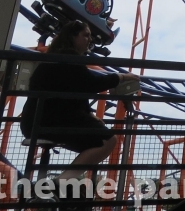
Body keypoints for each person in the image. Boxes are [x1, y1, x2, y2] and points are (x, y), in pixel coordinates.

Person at [20, 20, 139, 188]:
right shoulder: (69, 60)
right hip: (48, 122)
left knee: (96, 138)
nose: (89, 39)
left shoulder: (56, 59)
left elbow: (76, 91)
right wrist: (121, 77)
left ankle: (60, 183)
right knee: (107, 140)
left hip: (35, 121)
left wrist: (89, 115)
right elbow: (91, 83)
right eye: (86, 35)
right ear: (72, 37)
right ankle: (61, 182)